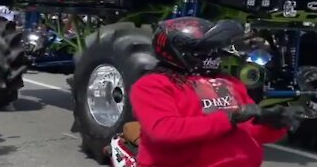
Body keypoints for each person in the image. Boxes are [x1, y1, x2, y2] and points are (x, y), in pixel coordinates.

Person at [130, 17, 304, 167]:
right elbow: (165, 132)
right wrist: (230, 117)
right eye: (209, 50)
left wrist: (274, 122)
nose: (217, 55)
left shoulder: (226, 82)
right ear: (185, 51)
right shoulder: (153, 85)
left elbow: (250, 131)